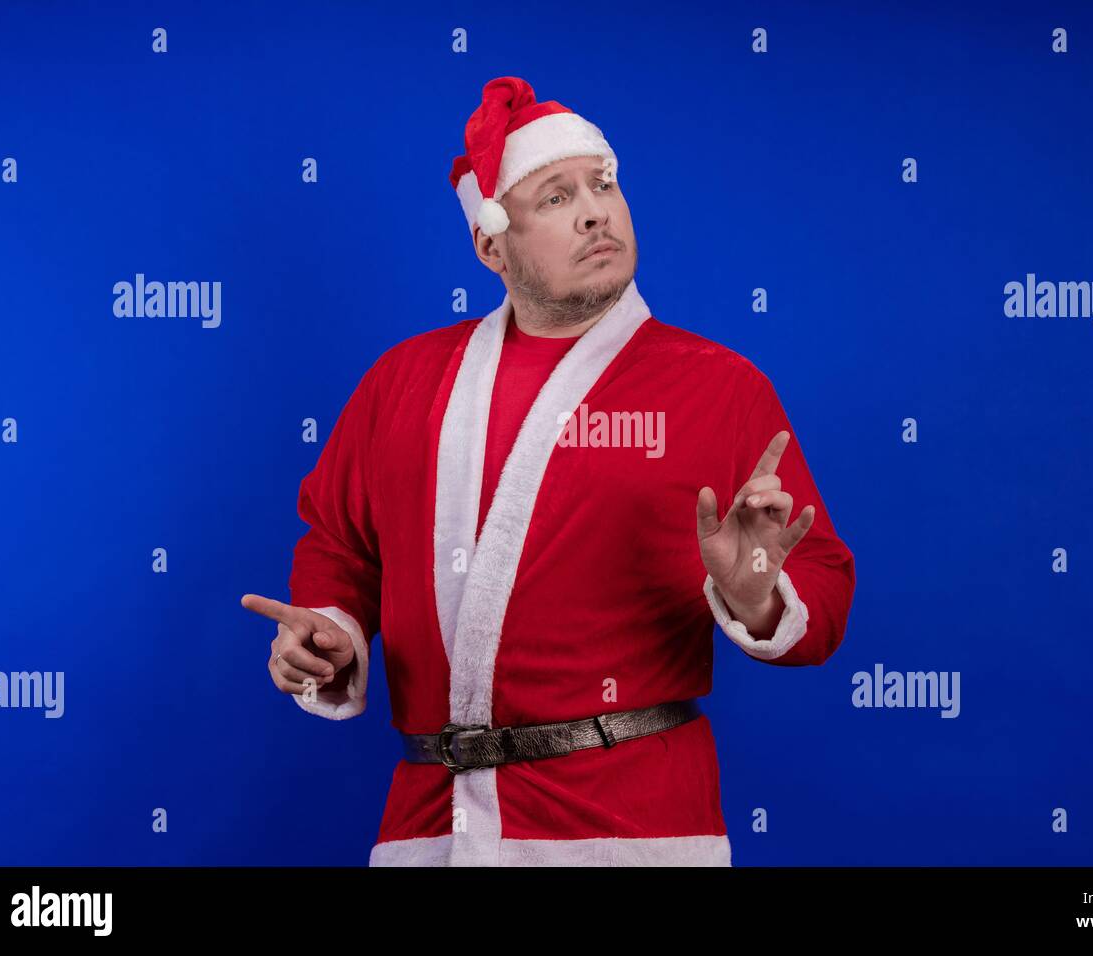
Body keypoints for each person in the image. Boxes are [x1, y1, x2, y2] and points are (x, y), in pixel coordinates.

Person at [241, 76, 856, 866]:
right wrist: (330, 631)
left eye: (603, 184)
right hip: (433, 825)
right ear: (490, 246)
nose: (597, 210)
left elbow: (824, 594)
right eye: (556, 197)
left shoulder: (719, 385)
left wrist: (756, 586)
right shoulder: (402, 381)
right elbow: (342, 544)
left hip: (631, 828)